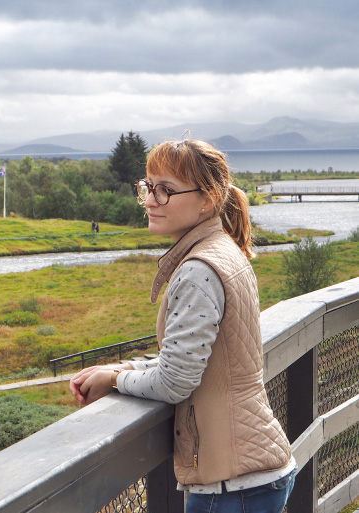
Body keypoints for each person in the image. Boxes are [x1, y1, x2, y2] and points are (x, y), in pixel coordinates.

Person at [69, 139, 296, 513]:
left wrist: (113, 381)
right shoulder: (223, 250)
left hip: (232, 487)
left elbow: (176, 381)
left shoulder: (197, 272)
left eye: (166, 190)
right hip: (254, 475)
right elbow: (191, 361)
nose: (149, 200)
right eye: (148, 186)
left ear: (207, 199)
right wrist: (124, 368)